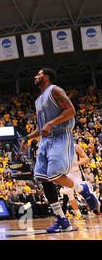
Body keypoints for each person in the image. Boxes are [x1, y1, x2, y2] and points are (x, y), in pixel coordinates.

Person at [21, 68, 99, 233]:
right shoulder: (38, 100)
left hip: (60, 136)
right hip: (45, 140)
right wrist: (27, 138)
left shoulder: (55, 90)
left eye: (39, 74)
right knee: (44, 179)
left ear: (47, 76)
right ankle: (62, 220)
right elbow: (41, 127)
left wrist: (51, 124)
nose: (36, 76)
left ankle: (82, 190)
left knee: (54, 174)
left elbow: (71, 111)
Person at [59, 144, 90, 221]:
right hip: (66, 173)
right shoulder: (59, 147)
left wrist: (77, 163)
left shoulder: (75, 146)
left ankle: (93, 201)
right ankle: (78, 214)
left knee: (81, 193)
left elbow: (86, 159)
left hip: (76, 172)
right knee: (70, 194)